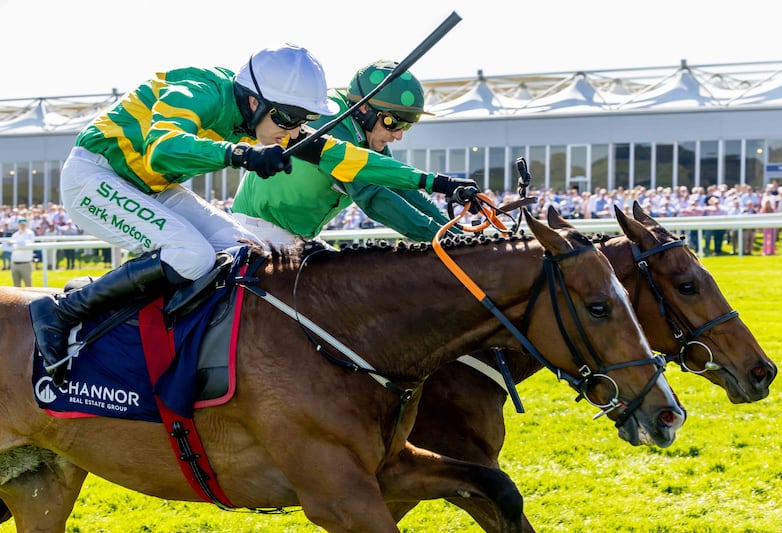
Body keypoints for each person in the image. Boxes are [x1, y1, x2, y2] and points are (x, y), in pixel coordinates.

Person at [28, 45, 477, 384]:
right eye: (289, 120)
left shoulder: (266, 117)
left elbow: (348, 159)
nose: (294, 132)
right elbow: (163, 149)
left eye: (301, 120)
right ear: (256, 101)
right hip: (95, 176)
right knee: (191, 256)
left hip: (152, 187)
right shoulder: (198, 88)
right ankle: (63, 311)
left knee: (247, 251)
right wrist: (241, 155)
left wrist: (434, 183)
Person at [231, 60, 457, 246]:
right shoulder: (332, 125)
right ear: (365, 109)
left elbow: (402, 188)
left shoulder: (366, 134)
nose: (398, 136)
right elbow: (374, 197)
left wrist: (457, 232)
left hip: (298, 237)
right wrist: (445, 240)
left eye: (406, 127)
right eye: (393, 123)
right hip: (256, 232)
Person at [9, 217, 35, 287]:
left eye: (24, 225)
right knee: (16, 286)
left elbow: (27, 243)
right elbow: (10, 245)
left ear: (26, 225)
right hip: (14, 263)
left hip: (25, 263)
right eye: (21, 224)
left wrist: (14, 242)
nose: (22, 226)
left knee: (28, 285)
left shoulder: (30, 233)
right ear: (18, 225)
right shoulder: (15, 234)